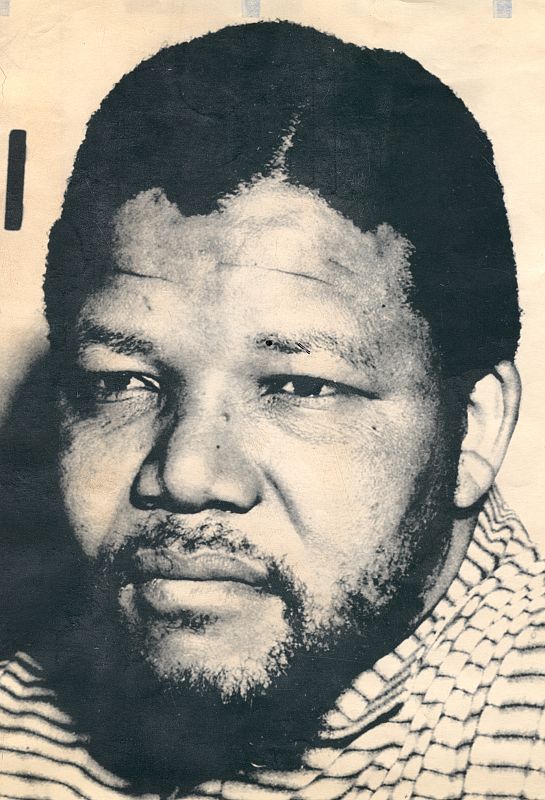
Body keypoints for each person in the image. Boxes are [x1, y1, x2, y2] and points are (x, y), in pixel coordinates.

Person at [0, 20, 543, 800]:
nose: (186, 473)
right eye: (121, 380)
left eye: (297, 386)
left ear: (475, 430)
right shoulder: (21, 730)